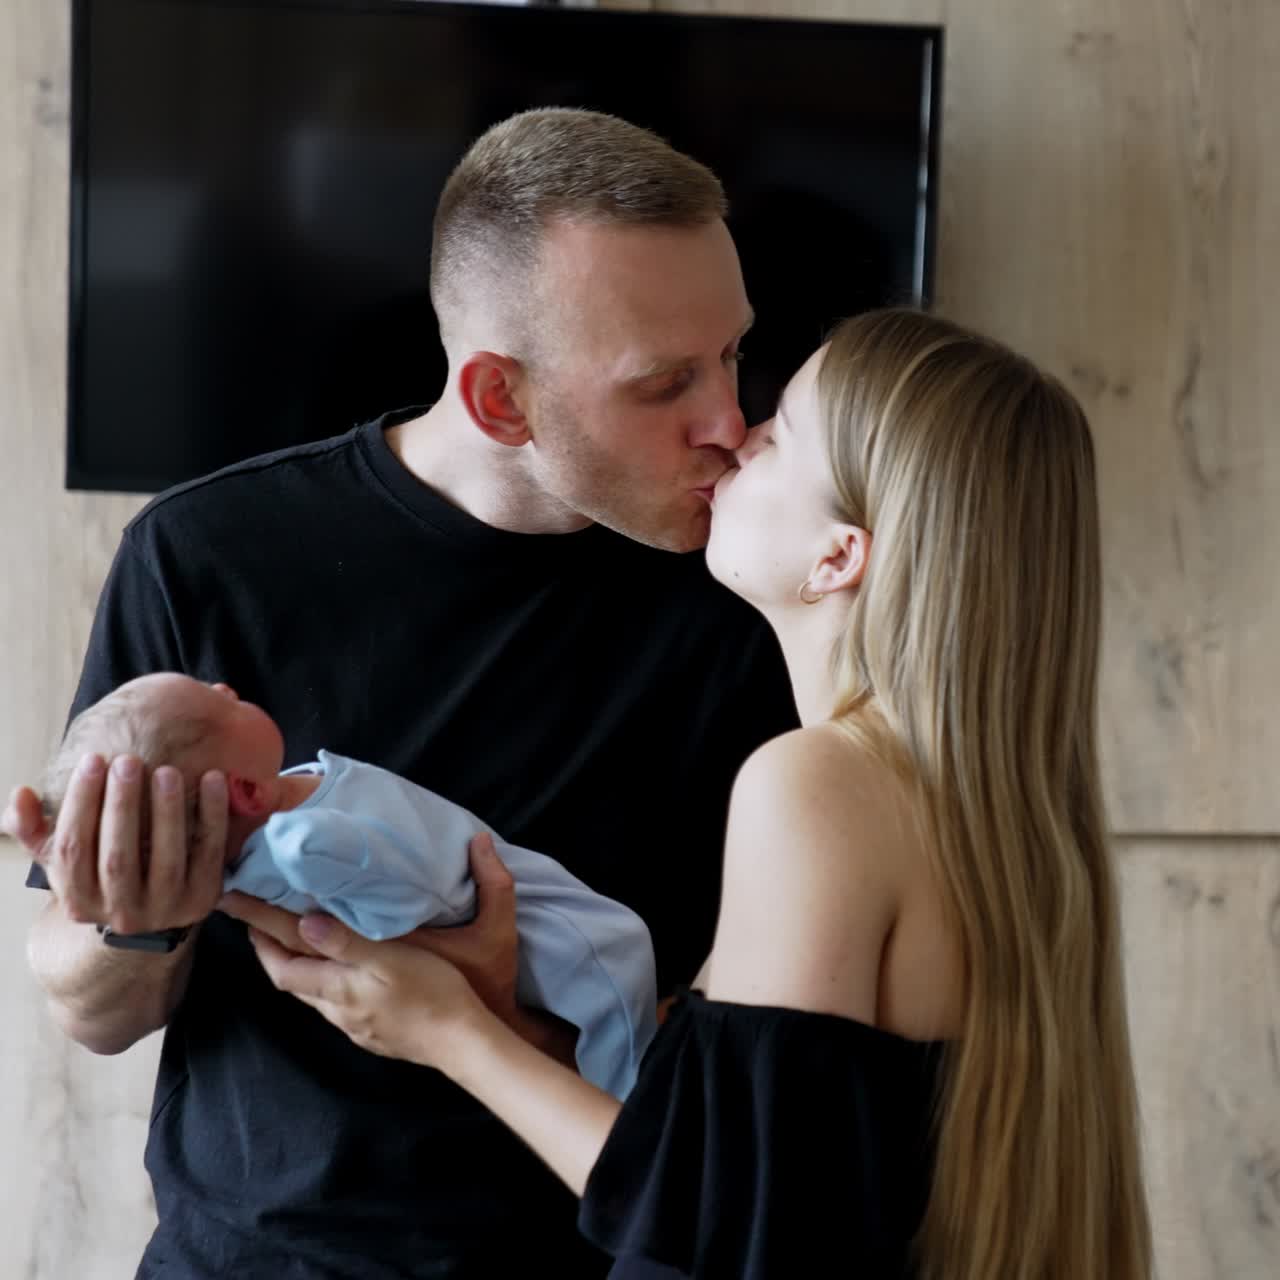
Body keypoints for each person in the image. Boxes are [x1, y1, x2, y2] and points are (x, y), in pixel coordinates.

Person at [6, 108, 798, 1278]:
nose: (730, 425)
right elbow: (94, 1008)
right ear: (498, 401)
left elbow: (750, 1087)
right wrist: (135, 919)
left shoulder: (747, 602)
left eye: (733, 354)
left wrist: (495, 1019)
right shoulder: (207, 552)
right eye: (665, 382)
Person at [223, 309, 1155, 1279]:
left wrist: (449, 1032)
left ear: (838, 554)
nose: (733, 435)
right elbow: (783, 1188)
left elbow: (712, 1233)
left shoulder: (815, 784)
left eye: (777, 432)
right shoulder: (1010, 831)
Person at [40, 671, 660, 1099]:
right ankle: (623, 1121)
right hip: (511, 919)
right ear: (247, 793)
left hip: (509, 897)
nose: (224, 685)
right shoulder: (305, 843)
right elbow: (398, 906)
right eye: (216, 702)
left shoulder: (276, 799)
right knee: (620, 959)